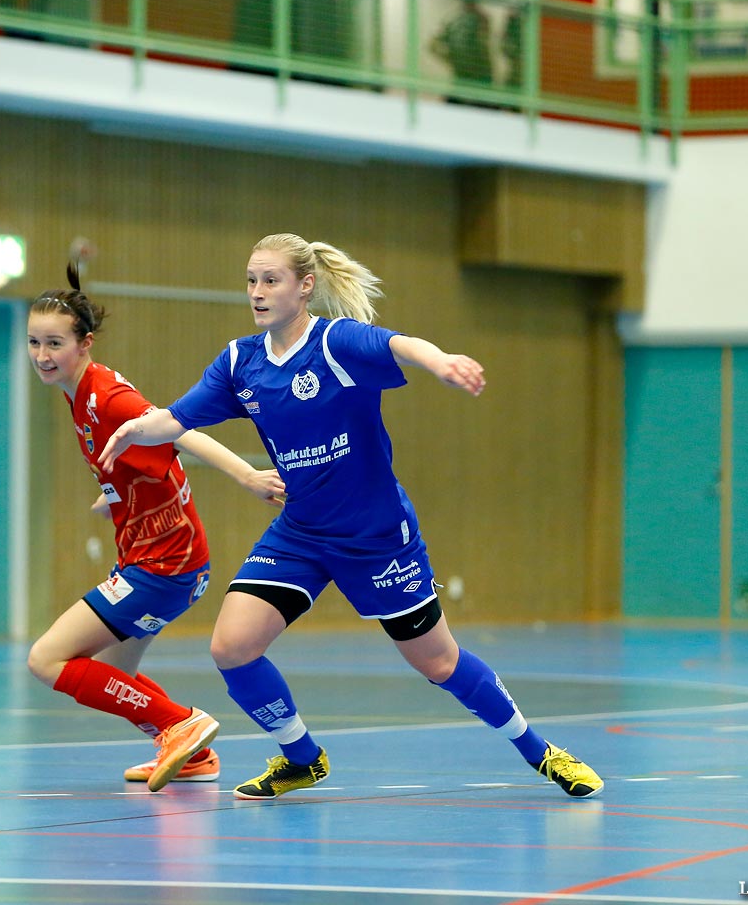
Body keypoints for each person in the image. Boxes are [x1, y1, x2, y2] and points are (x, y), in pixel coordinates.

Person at [98, 233, 604, 801]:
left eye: (271, 280)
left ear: (304, 286)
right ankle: (302, 758)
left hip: (377, 537)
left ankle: (541, 752)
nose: (258, 293)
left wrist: (442, 361)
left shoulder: (337, 343)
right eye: (251, 280)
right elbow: (178, 419)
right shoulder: (241, 362)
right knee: (231, 647)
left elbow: (402, 344)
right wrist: (137, 428)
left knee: (438, 662)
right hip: (301, 533)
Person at [25, 264, 286, 792]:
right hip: (158, 557)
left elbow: (178, 430)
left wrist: (247, 475)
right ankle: (191, 755)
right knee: (111, 672)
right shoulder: (78, 395)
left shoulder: (107, 396)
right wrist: (114, 495)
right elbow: (144, 459)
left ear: (85, 343)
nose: (42, 355)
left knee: (47, 659)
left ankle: (178, 724)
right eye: (34, 342)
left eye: (54, 342)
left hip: (163, 564)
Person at [431, 0, 495, 104]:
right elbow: (433, 45)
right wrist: (451, 59)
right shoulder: (453, 20)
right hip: (463, 77)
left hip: (481, 78)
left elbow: (483, 42)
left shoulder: (481, 19)